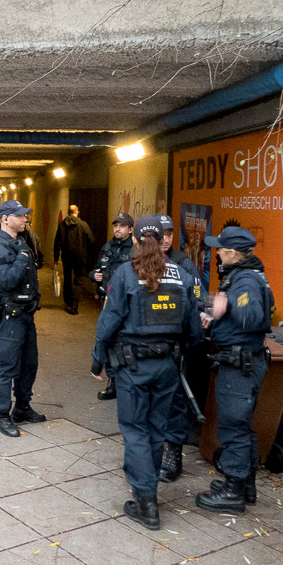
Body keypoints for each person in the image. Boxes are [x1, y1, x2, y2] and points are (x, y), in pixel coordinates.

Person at [91, 215, 202, 530]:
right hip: (167, 367)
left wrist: (98, 358)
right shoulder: (181, 275)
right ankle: (148, 491)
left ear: (135, 239)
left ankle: (146, 501)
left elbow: (110, 320)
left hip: (133, 367)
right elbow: (193, 327)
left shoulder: (127, 273)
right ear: (161, 238)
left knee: (135, 430)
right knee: (155, 430)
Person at [195, 227, 274, 514]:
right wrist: (214, 314)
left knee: (232, 427)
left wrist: (223, 307)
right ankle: (245, 485)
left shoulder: (246, 280)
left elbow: (250, 315)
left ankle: (233, 492)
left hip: (239, 365)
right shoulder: (247, 275)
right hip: (244, 361)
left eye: (220, 248)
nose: (216, 252)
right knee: (242, 425)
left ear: (231, 252)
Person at [0, 199, 45, 437]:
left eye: (24, 216)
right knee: (8, 366)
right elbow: (6, 280)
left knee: (29, 363)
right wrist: (22, 257)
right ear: (5, 219)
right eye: (19, 216)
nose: (24, 219)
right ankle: (1, 415)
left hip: (25, 313)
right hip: (10, 316)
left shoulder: (19, 242)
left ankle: (22, 407)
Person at [156, 213, 205, 482]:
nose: (166, 239)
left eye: (170, 234)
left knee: (175, 402)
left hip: (173, 348)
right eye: (161, 234)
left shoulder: (183, 263)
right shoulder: (138, 262)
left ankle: (173, 454)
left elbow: (196, 299)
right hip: (146, 347)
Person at [89, 212, 135, 401]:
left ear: (131, 230)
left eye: (122, 226)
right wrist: (94, 275)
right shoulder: (107, 247)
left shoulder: (135, 250)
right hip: (108, 301)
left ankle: (126, 382)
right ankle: (113, 382)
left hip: (127, 303)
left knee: (124, 342)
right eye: (116, 225)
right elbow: (96, 268)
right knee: (108, 341)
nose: (117, 229)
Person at [53, 205, 94, 314]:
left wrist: (56, 258)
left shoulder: (62, 226)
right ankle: (74, 305)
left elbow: (57, 243)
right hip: (80, 257)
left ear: (68, 213)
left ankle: (67, 302)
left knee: (67, 278)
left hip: (66, 257)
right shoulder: (83, 225)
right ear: (77, 212)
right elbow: (91, 240)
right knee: (78, 280)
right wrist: (87, 253)